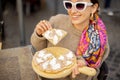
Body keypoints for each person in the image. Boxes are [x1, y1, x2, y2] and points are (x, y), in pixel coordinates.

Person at [31, 0, 110, 80]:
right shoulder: (56, 21)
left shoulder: (98, 40)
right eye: (69, 4)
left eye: (80, 5)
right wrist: (39, 34)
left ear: (93, 8)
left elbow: (92, 74)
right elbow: (39, 50)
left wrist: (80, 68)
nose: (72, 11)